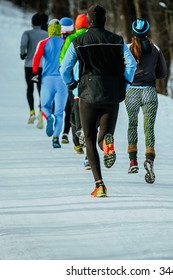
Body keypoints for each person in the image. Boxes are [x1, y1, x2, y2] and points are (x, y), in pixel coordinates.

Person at [60, 4, 136, 197]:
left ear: (88, 20)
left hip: (87, 93)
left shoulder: (78, 41)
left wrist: (72, 85)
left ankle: (100, 185)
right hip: (112, 93)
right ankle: (107, 143)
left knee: (89, 138)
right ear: (105, 20)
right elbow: (132, 63)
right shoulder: (117, 40)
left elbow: (64, 69)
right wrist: (125, 82)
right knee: (105, 133)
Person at [125, 18, 167, 184]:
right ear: (147, 32)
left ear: (133, 32)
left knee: (132, 124)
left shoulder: (127, 49)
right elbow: (162, 73)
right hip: (149, 91)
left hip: (132, 91)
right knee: (149, 128)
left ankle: (133, 162)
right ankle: (149, 161)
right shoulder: (155, 49)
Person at [59, 14, 89, 164]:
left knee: (73, 110)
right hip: (93, 83)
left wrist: (70, 80)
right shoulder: (92, 36)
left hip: (76, 83)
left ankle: (77, 142)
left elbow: (62, 60)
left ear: (76, 25)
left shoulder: (72, 39)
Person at [33, 19, 67, 148]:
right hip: (61, 81)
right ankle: (56, 138)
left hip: (47, 80)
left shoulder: (43, 43)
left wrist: (35, 72)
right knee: (59, 112)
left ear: (49, 29)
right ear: (60, 30)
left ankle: (48, 118)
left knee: (45, 107)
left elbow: (36, 59)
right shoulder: (65, 43)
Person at [20, 13, 48, 128]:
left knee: (30, 88)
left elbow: (23, 44)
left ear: (32, 23)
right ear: (42, 23)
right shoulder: (46, 34)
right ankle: (41, 111)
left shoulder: (27, 33)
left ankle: (32, 113)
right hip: (42, 66)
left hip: (29, 66)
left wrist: (23, 54)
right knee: (40, 89)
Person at [59, 17, 75, 145]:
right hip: (71, 77)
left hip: (58, 77)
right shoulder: (74, 39)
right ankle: (66, 132)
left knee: (62, 107)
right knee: (70, 107)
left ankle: (62, 131)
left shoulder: (58, 40)